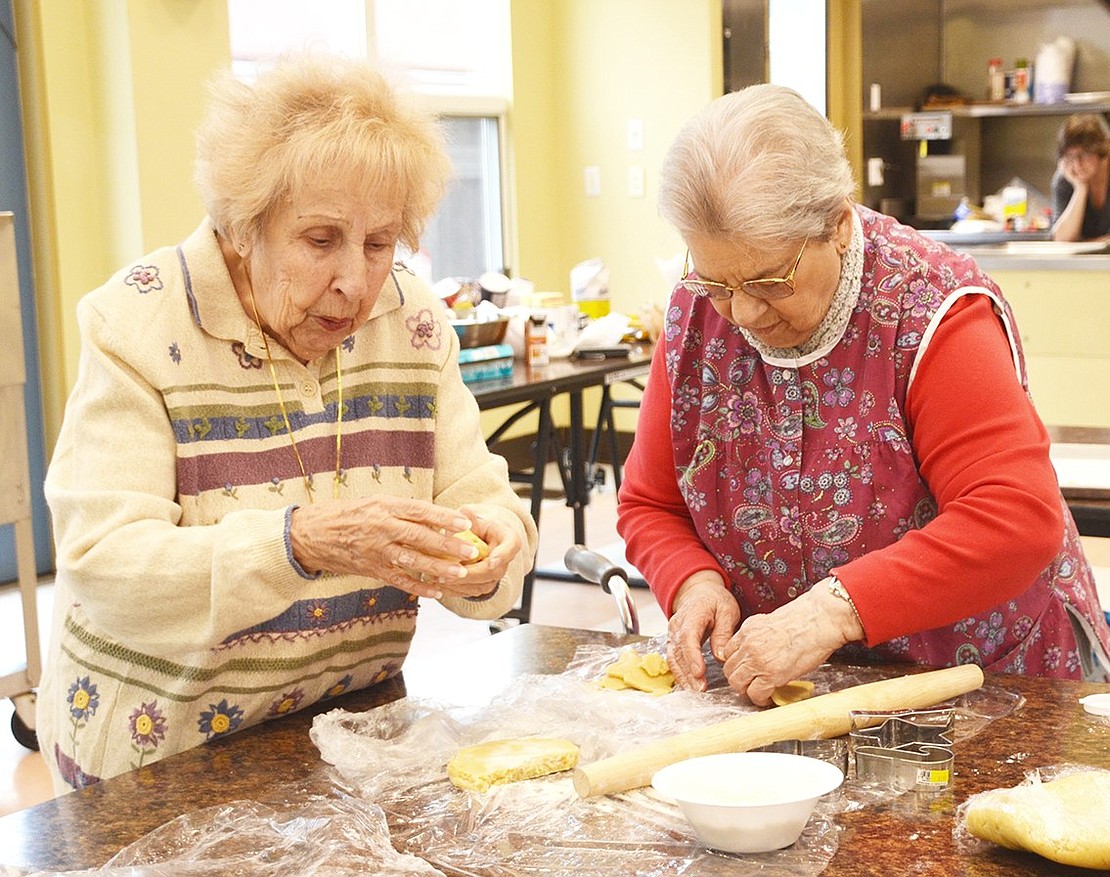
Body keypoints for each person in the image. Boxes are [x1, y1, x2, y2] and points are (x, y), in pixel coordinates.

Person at [39, 53, 537, 791]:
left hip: (340, 736)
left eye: (379, 243)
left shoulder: (415, 321)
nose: (356, 281)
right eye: (319, 239)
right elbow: (106, 566)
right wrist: (298, 542)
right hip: (156, 759)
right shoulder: (136, 322)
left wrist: (495, 548)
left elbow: (482, 500)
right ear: (243, 225)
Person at [618, 84, 1110, 705]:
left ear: (839, 225)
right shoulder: (696, 314)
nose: (740, 311)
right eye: (716, 281)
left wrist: (830, 612)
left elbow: (1013, 520)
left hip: (984, 683)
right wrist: (692, 582)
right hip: (795, 694)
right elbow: (649, 503)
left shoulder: (931, 310)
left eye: (769, 281)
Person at [1050, 113, 1110, 242]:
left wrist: (1089, 244)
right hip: (1086, 262)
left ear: (1101, 150)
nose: (1077, 164)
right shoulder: (1065, 179)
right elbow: (1062, 240)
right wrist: (1080, 189)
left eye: (1085, 154)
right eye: (1070, 157)